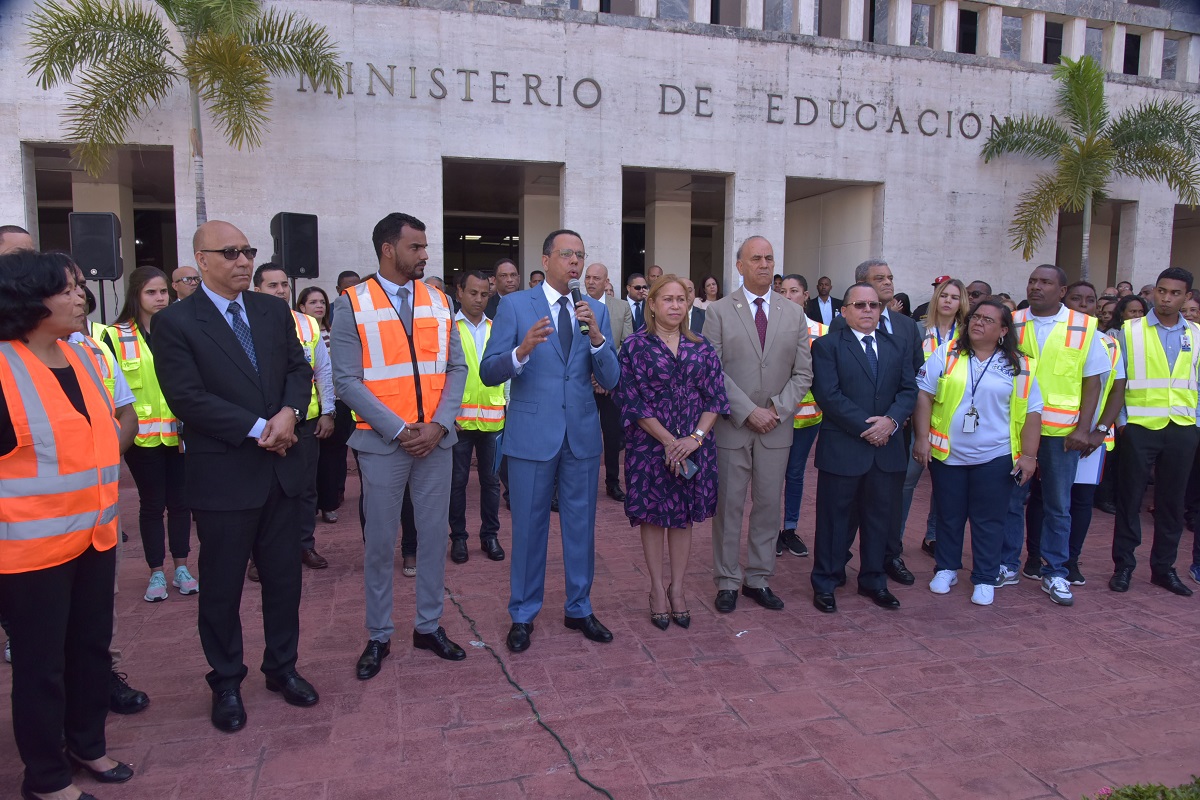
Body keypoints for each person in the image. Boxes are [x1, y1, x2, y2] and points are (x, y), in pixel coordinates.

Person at [154, 220, 319, 732]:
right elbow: (187, 398)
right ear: (201, 260)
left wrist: (291, 413)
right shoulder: (176, 322)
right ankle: (225, 680)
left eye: (248, 251)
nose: (243, 260)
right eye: (230, 252)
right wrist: (257, 428)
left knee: (284, 581)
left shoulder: (272, 310)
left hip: (282, 469)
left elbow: (299, 368)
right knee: (222, 587)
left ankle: (282, 668)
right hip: (225, 476)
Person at [0, 249, 133, 799]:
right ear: (29, 299)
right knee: (40, 668)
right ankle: (46, 777)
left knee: (90, 651)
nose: (81, 296)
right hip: (29, 555)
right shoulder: (3, 368)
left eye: (81, 285)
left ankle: (87, 744)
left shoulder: (81, 357)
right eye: (67, 288)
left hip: (94, 539)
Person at [331, 213, 469, 678]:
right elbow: (346, 381)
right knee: (381, 544)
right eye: (416, 247)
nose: (425, 255)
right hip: (382, 445)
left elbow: (456, 369)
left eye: (425, 247)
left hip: (435, 442)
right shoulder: (352, 303)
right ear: (389, 249)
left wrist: (438, 425)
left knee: (433, 539)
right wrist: (399, 429)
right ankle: (378, 635)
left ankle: (429, 626)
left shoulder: (438, 300)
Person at [479, 229, 620, 653]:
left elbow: (611, 379)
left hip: (579, 435)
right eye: (566, 254)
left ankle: (579, 607)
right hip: (530, 437)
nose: (575, 262)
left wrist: (597, 339)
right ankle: (522, 613)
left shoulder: (595, 309)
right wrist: (520, 351)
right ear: (546, 259)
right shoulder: (515, 305)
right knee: (528, 528)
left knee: (581, 528)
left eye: (580, 254)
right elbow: (488, 371)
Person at [706, 236, 812, 613]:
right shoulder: (718, 311)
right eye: (756, 259)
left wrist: (778, 410)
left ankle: (759, 578)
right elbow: (712, 370)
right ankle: (728, 580)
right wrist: (748, 410)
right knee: (729, 506)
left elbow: (803, 373)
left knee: (768, 505)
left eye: (769, 258)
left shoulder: (794, 313)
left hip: (776, 429)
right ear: (740, 265)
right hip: (734, 427)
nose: (764, 265)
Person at [617, 276, 729, 629]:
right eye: (668, 299)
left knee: (682, 518)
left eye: (682, 299)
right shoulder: (634, 346)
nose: (676, 306)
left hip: (694, 446)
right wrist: (668, 441)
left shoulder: (702, 347)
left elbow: (716, 397)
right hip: (650, 446)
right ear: (652, 304)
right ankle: (655, 589)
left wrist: (694, 439)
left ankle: (677, 588)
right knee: (652, 517)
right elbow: (629, 399)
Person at [913, 299, 1042, 606]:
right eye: (975, 317)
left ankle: (984, 577)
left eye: (987, 320)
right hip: (949, 454)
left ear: (1002, 330)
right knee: (949, 514)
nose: (978, 323)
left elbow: (1033, 413)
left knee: (989, 519)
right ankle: (946, 568)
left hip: (995, 456)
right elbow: (923, 396)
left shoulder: (1020, 365)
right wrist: (921, 438)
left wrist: (1029, 456)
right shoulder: (947, 354)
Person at [1001, 264, 1108, 606]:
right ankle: (1007, 564)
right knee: (1013, 500)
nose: (1036, 286)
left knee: (1058, 504)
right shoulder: (1013, 321)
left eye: (1045, 282)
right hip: (1018, 429)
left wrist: (1085, 428)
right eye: (1032, 280)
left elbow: (1093, 381)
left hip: (1062, 432)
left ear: (1062, 291)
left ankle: (1056, 571)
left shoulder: (1083, 325)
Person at [68, 278, 150, 717]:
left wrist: (98, 464)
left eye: (79, 285)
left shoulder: (93, 350)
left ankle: (101, 676)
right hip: (25, 523)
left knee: (98, 602)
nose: (78, 295)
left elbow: (125, 413)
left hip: (96, 505)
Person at [810, 283, 917, 613]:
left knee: (879, 520)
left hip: (886, 450)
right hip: (844, 449)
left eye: (873, 305)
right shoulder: (828, 346)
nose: (868, 310)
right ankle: (826, 581)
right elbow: (829, 395)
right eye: (860, 305)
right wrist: (870, 427)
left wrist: (892, 422)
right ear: (845, 311)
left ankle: (873, 580)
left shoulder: (896, 345)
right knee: (833, 520)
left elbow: (908, 390)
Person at [101, 267, 197, 602]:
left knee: (181, 502)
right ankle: (156, 572)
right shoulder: (114, 336)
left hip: (180, 432)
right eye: (151, 293)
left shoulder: (180, 326)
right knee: (152, 504)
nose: (159, 298)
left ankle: (182, 567)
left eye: (162, 292)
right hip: (141, 438)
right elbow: (109, 392)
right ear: (136, 295)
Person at [831, 259, 925, 585]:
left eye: (889, 278)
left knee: (886, 507)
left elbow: (910, 381)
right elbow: (834, 386)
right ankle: (836, 564)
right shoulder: (840, 329)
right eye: (878, 279)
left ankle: (887, 560)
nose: (887, 284)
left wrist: (891, 422)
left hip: (892, 438)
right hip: (851, 437)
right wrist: (869, 426)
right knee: (846, 511)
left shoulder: (906, 327)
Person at [1109, 268, 1200, 597]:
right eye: (1161, 291)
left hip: (1182, 429)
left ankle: (1164, 568)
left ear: (1186, 297)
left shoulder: (1197, 334)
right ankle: (1124, 566)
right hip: (1140, 428)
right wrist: (1123, 424)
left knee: (1172, 504)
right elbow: (1117, 380)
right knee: (1130, 500)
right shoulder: (1129, 330)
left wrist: (1196, 424)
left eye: (1175, 293)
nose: (1166, 298)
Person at [252, 264, 335, 571]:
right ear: (257, 290)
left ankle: (304, 546)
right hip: (261, 427)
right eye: (272, 285)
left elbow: (323, 371)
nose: (281, 290)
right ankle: (259, 558)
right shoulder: (246, 323)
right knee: (262, 492)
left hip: (306, 423)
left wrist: (328, 412)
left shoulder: (308, 325)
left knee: (304, 488)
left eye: (284, 284)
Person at [906, 277, 967, 555]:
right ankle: (893, 538)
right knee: (908, 479)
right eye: (944, 296)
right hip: (918, 415)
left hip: (952, 418)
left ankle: (933, 535)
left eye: (954, 297)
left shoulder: (968, 335)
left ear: (961, 303)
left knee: (944, 485)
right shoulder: (917, 330)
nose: (948, 301)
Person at [448, 270, 506, 564]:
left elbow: (506, 372)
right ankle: (458, 538)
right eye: (473, 293)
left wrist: (507, 405)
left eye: (485, 294)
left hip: (494, 419)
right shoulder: (448, 328)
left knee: (491, 482)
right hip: (457, 421)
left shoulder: (497, 328)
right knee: (457, 482)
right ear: (459, 292)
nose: (480, 299)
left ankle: (490, 536)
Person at [778, 274, 824, 558]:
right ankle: (768, 530)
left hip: (807, 418)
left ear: (805, 296)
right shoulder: (767, 327)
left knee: (795, 473)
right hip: (775, 416)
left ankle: (789, 529)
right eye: (782, 290)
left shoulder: (822, 330)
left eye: (793, 291)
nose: (787, 295)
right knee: (769, 476)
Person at [300, 286, 350, 525]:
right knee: (309, 461)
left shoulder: (335, 333)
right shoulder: (298, 334)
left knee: (332, 457)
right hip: (309, 406)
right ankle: (309, 505)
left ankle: (329, 504)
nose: (319, 306)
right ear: (302, 307)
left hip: (336, 404)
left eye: (322, 301)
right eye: (312, 302)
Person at [585, 262, 634, 501]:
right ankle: (576, 482)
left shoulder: (621, 307)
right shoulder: (576, 305)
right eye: (588, 277)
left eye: (596, 278)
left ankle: (613, 482)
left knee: (612, 435)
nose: (591, 282)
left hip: (611, 383)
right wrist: (593, 376)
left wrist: (606, 374)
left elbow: (626, 344)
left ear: (606, 283)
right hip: (583, 382)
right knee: (580, 434)